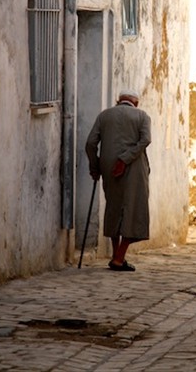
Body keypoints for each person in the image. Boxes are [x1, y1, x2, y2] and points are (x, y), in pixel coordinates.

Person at [85, 90, 151, 271]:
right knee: (134, 209)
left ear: (118, 101)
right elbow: (145, 140)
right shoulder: (142, 116)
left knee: (114, 207)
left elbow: (91, 143)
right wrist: (126, 158)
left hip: (108, 166)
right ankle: (119, 257)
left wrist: (95, 166)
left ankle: (117, 256)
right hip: (134, 167)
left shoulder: (104, 115)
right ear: (135, 103)